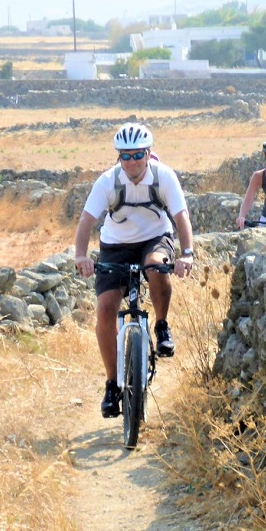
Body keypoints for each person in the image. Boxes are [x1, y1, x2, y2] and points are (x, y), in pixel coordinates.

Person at [74, 122, 195, 418]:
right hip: (115, 245)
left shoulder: (164, 177)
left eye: (137, 154)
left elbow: (181, 217)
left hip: (155, 238)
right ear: (118, 157)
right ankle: (112, 385)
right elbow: (87, 222)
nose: (132, 162)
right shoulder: (107, 181)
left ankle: (162, 325)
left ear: (148, 153)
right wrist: (81, 256)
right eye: (125, 156)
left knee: (156, 267)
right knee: (105, 309)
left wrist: (187, 253)